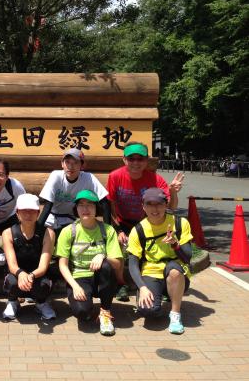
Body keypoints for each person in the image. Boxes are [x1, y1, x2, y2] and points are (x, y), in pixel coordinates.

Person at [107, 141, 184, 301]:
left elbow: (171, 207)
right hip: (122, 222)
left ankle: (156, 285)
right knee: (116, 249)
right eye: (131, 158)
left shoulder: (156, 179)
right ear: (124, 160)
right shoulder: (115, 176)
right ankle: (120, 283)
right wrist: (118, 230)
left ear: (146, 161)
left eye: (140, 159)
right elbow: (111, 205)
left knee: (155, 250)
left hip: (146, 224)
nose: (135, 163)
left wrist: (172, 192)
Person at [55, 190, 123, 336]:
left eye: (90, 205)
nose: (85, 209)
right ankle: (88, 306)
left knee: (106, 265)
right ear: (76, 208)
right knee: (82, 312)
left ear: (96, 208)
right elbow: (62, 265)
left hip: (101, 278)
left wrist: (102, 256)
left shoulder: (107, 230)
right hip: (79, 278)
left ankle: (105, 312)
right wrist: (75, 286)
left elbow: (117, 263)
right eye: (81, 205)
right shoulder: (68, 231)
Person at [127, 188, 193, 334]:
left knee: (174, 271)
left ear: (165, 205)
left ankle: (175, 314)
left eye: (159, 204)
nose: (154, 209)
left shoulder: (179, 223)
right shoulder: (138, 230)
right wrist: (142, 287)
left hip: (176, 272)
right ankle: (156, 295)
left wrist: (175, 244)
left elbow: (187, 257)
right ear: (143, 206)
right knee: (148, 311)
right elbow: (132, 264)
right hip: (151, 271)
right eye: (149, 204)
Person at [1, 193, 56, 321]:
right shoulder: (8, 233)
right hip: (16, 274)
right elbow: (12, 265)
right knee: (12, 283)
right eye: (24, 211)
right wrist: (21, 274)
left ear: (38, 213)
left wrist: (30, 276)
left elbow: (43, 266)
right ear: (17, 213)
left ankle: (41, 303)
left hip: (38, 274)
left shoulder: (48, 233)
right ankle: (12, 301)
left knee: (43, 285)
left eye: (32, 211)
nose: (28, 214)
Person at [39, 148, 110, 238]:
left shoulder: (88, 178)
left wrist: (108, 229)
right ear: (62, 164)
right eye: (67, 162)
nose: (71, 166)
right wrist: (37, 230)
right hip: (53, 217)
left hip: (74, 219)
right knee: (48, 236)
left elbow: (104, 202)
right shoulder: (56, 176)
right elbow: (48, 205)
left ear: (82, 165)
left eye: (75, 163)